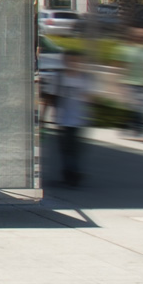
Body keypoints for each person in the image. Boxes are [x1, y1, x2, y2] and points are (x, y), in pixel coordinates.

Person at [52, 50, 91, 188]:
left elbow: (88, 98)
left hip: (78, 120)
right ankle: (70, 173)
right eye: (70, 60)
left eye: (76, 61)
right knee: (66, 149)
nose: (73, 63)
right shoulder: (61, 78)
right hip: (63, 119)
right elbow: (54, 98)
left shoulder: (84, 78)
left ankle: (72, 173)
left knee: (74, 149)